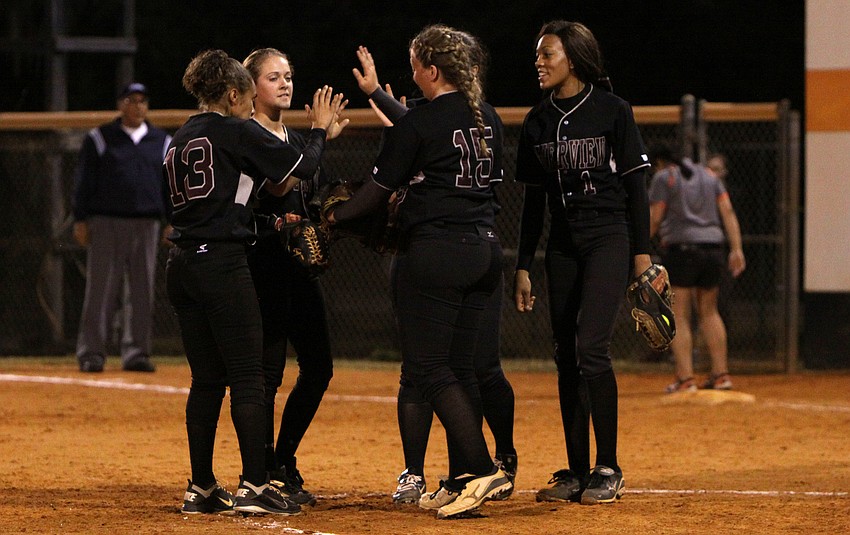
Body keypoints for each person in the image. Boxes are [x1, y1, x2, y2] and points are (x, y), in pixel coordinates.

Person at [328, 25, 512, 519]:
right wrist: (377, 98)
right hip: (484, 250)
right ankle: (459, 481)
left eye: (414, 66)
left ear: (431, 71)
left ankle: (478, 467)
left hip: (435, 253)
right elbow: (426, 129)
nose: (411, 74)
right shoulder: (487, 117)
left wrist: (331, 219)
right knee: (461, 367)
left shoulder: (423, 122)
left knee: (428, 369)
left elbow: (374, 192)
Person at [164, 48, 342, 515]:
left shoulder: (179, 136)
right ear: (231, 94)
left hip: (181, 261)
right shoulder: (234, 128)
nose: (248, 105)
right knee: (247, 376)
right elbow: (301, 169)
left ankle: (200, 486)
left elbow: (229, 197)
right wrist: (320, 131)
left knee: (205, 381)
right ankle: (256, 485)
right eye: (245, 95)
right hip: (221, 263)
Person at [513, 20, 652, 505]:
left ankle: (607, 466)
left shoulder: (613, 111)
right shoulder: (537, 120)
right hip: (563, 246)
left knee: (591, 348)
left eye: (547, 54)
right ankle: (574, 470)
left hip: (608, 239)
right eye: (537, 55)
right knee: (565, 355)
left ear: (573, 57)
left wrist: (642, 255)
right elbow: (534, 202)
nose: (539, 62)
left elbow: (636, 188)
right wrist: (524, 264)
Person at [242, 47, 348, 506]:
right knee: (267, 374)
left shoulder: (292, 136)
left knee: (318, 367)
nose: (285, 83)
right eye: (272, 77)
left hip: (296, 270)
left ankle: (283, 459)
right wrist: (320, 134)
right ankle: (263, 470)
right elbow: (282, 184)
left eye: (288, 75)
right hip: (262, 265)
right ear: (250, 89)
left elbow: (305, 194)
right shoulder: (247, 135)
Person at [71, 82, 170, 373]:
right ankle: (91, 353)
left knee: (141, 290)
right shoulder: (101, 138)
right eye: (131, 100)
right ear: (120, 104)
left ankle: (136, 352)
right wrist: (80, 218)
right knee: (100, 289)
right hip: (106, 221)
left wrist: (172, 220)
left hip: (147, 223)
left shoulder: (161, 140)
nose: (138, 105)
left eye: (142, 100)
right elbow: (83, 181)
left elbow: (168, 187)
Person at [647, 144, 746, 393]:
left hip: (681, 250)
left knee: (679, 315)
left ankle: (686, 379)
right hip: (713, 249)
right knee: (709, 312)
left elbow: (656, 216)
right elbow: (728, 212)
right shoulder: (709, 176)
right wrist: (736, 248)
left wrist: (638, 247)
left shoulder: (664, 177)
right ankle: (721, 375)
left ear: (660, 161)